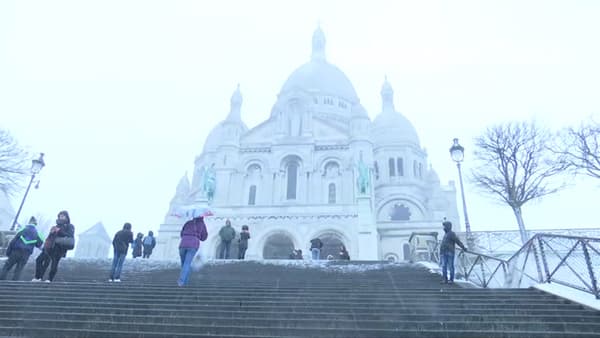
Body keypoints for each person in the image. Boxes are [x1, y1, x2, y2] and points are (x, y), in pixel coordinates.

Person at [33, 210, 75, 283]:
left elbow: (70, 236)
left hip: (59, 248)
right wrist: (45, 246)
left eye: (63, 216)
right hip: (49, 247)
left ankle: (49, 279)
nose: (61, 217)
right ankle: (38, 277)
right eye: (60, 216)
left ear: (67, 217)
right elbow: (49, 237)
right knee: (39, 260)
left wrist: (59, 231)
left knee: (54, 264)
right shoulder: (55, 226)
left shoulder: (70, 226)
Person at [1, 216, 43, 281]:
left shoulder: (22, 229)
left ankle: (1, 281)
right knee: (19, 269)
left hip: (16, 251)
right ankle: (13, 284)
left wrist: (8, 251)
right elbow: (39, 244)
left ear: (29, 222)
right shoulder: (37, 233)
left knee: (7, 266)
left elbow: (14, 240)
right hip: (26, 254)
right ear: (35, 224)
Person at [178, 215, 208, 287]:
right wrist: (198, 236)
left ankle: (185, 282)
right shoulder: (201, 224)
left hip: (183, 244)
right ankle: (182, 281)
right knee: (187, 263)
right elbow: (204, 237)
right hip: (193, 244)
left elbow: (181, 233)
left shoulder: (188, 222)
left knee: (184, 264)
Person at [439, 220, 467, 284]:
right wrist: (441, 252)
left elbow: (457, 241)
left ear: (448, 226)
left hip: (449, 252)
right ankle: (445, 279)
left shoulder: (451, 233)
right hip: (444, 252)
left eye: (444, 226)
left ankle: (451, 279)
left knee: (450, 266)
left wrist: (463, 247)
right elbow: (443, 244)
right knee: (444, 266)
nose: (443, 228)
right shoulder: (446, 234)